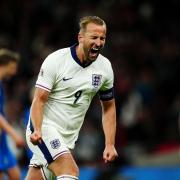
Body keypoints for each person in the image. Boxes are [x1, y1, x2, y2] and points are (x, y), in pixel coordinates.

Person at [26, 16, 118, 180]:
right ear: (81, 37)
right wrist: (38, 129)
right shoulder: (56, 61)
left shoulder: (105, 68)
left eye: (102, 38)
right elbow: (39, 100)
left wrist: (109, 144)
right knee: (70, 171)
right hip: (43, 130)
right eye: (94, 37)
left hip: (67, 138)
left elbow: (109, 107)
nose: (98, 42)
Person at [0, 49, 25, 180]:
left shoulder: (1, 84)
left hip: (2, 140)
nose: (15, 71)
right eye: (14, 66)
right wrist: (14, 134)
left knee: (16, 176)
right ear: (6, 64)